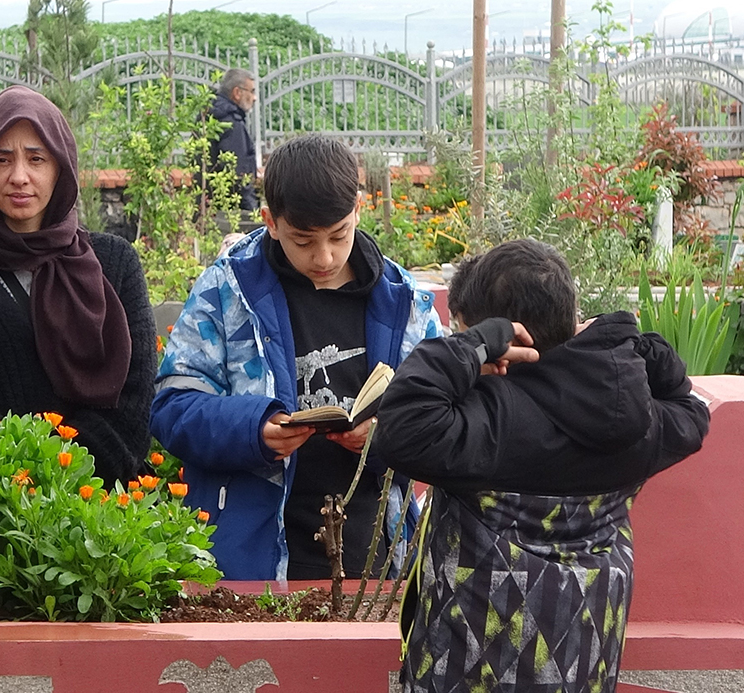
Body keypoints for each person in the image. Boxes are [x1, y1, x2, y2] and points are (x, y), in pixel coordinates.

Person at [373, 239, 711, 692]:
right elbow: (691, 411)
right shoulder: (630, 426)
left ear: (506, 337)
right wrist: (645, 350)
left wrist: (471, 348)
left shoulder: (485, 425)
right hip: (581, 673)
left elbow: (400, 423)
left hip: (459, 675)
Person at [150, 135, 442, 582]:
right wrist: (255, 430)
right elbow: (173, 407)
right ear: (270, 221)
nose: (323, 257)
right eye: (303, 240)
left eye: (338, 236)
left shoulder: (405, 303)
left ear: (358, 210)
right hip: (251, 561)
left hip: (375, 560)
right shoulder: (226, 291)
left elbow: (445, 417)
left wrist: (384, 435)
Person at [0, 85, 155, 487]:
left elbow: (134, 396)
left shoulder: (114, 263)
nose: (19, 176)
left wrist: (72, 477)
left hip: (101, 515)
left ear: (61, 168)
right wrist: (20, 483)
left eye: (37, 159)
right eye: (2, 160)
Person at [210, 68, 258, 213]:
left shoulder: (208, 115)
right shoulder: (232, 123)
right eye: (252, 91)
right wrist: (251, 210)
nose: (254, 98)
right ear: (237, 93)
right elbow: (238, 173)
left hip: (208, 204)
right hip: (231, 210)